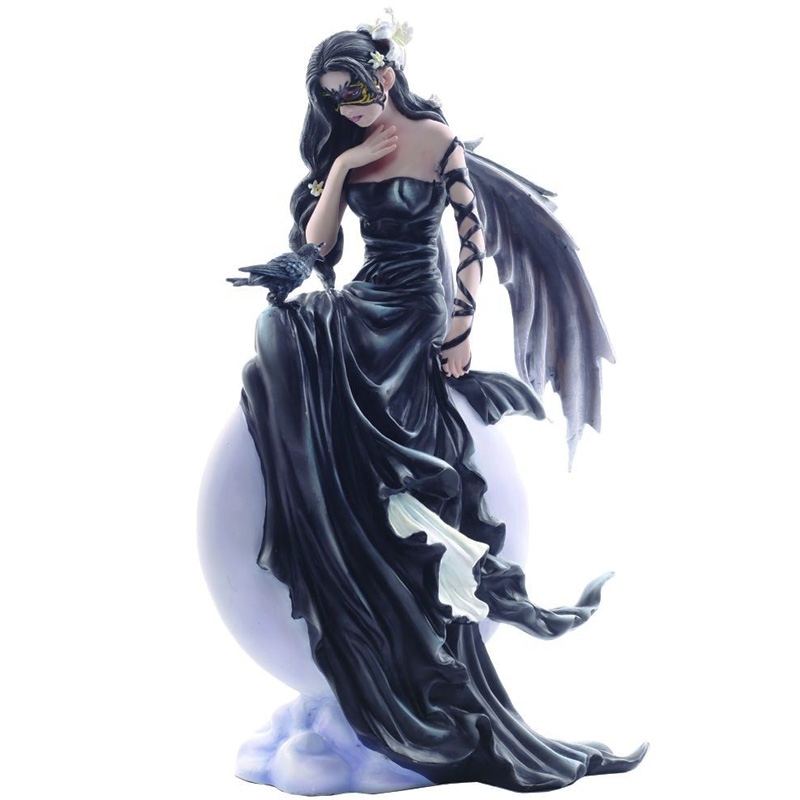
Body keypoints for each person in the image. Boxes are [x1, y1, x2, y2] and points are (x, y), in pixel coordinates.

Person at [222, 17, 647, 794]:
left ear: (384, 74)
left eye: (356, 89)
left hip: (418, 304)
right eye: (333, 100)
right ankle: (327, 525)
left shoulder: (436, 139)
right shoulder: (349, 147)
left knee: (358, 383)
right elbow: (318, 249)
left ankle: (390, 522)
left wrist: (461, 325)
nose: (350, 106)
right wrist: (343, 166)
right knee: (279, 331)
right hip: (366, 293)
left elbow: (472, 240)